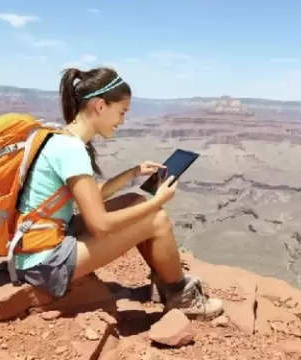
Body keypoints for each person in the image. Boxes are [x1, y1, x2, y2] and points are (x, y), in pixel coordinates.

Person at [12, 66, 223, 321]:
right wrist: (158, 201)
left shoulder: (60, 138)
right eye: (121, 112)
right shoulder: (72, 151)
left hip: (39, 244)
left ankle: (164, 281)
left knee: (135, 200)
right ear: (100, 106)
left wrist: (132, 173)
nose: (122, 121)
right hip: (45, 264)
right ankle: (182, 296)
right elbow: (100, 225)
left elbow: (91, 195)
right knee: (155, 218)